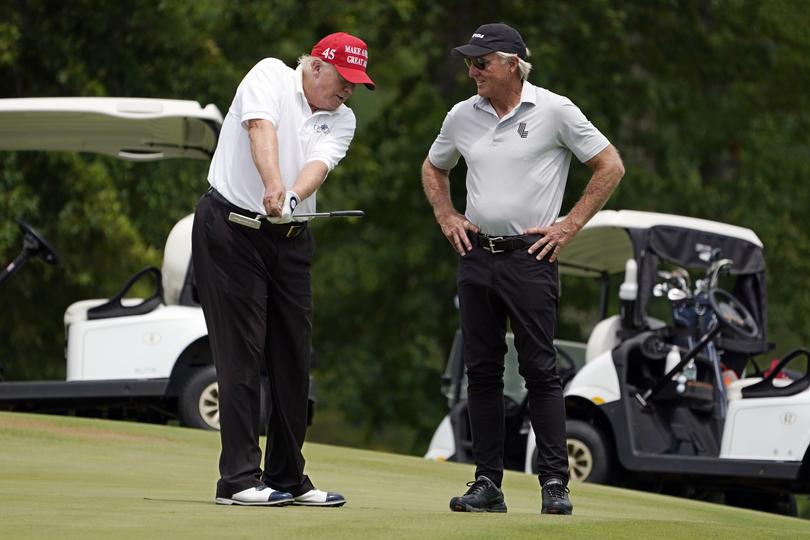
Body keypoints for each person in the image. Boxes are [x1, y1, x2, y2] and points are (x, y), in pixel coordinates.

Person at [422, 23, 624, 515]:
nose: (473, 71)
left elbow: (610, 165)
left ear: (513, 63)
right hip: (476, 256)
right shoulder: (461, 116)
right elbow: (434, 166)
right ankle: (487, 482)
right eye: (470, 62)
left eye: (482, 62)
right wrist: (447, 215)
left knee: (539, 371)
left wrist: (569, 226)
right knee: (482, 372)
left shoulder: (554, 109)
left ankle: (555, 483)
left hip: (531, 257)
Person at [192, 32, 375, 507]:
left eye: (356, 84)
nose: (348, 91)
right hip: (231, 229)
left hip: (291, 237)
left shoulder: (343, 118)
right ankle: (236, 479)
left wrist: (290, 197)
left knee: (294, 357)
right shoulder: (269, 74)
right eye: (344, 79)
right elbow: (261, 130)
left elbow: (319, 164)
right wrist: (273, 186)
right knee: (242, 353)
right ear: (316, 67)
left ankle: (289, 476)